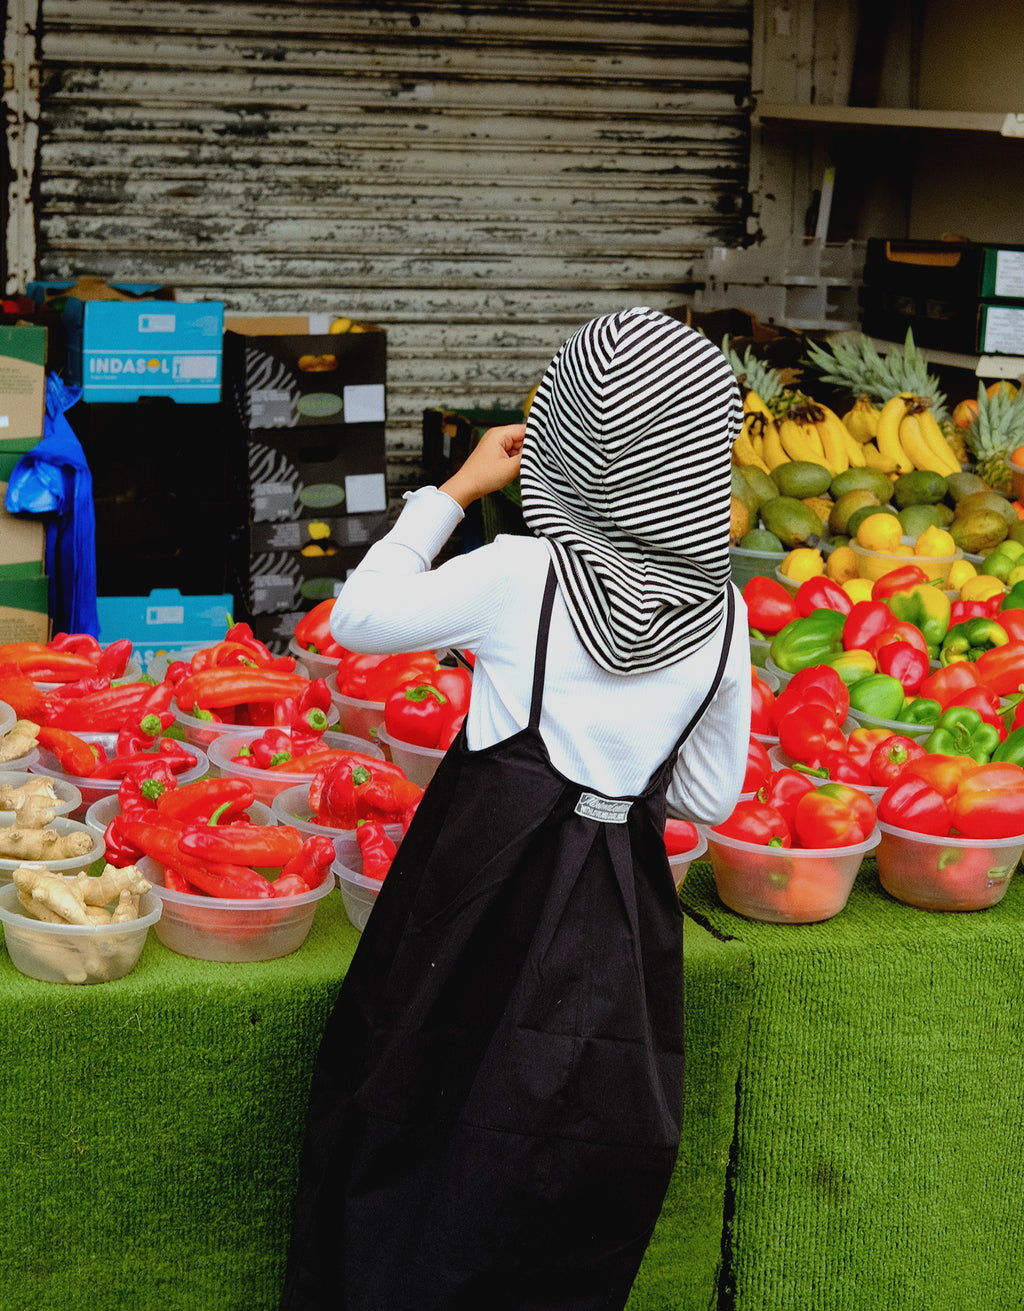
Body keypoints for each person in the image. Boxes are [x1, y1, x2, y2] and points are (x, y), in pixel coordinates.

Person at [279, 306, 751, 1311]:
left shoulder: (518, 577)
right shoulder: (723, 610)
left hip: (468, 912)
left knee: (401, 1127)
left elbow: (356, 619)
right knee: (560, 1160)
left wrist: (453, 492)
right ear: (702, 453)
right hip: (611, 938)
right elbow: (709, 796)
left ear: (570, 436)